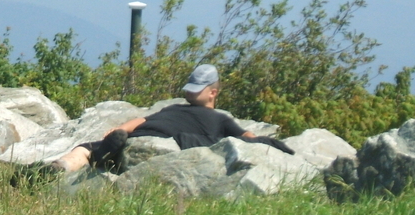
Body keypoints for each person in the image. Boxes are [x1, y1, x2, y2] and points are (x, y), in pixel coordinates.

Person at [50, 64, 259, 173]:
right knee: (88, 146)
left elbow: (244, 135)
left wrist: (253, 141)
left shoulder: (220, 120)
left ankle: (96, 158)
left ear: (213, 92)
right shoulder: (175, 107)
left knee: (101, 148)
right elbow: (143, 120)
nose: (190, 94)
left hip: (160, 142)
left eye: (196, 91)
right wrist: (120, 128)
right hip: (143, 134)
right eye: (190, 90)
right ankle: (61, 166)